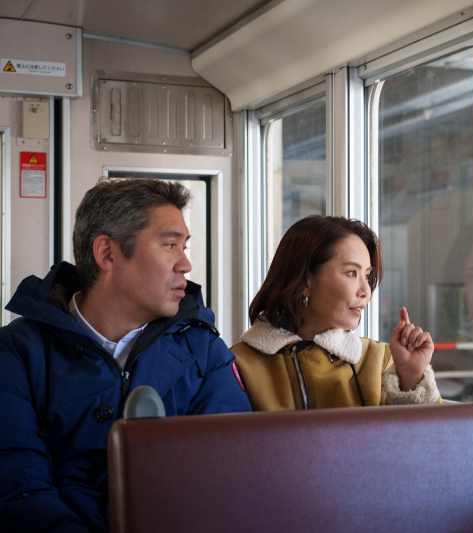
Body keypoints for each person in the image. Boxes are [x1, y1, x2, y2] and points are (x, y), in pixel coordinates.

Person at [0, 179, 252, 533]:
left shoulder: (204, 350)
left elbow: (231, 476)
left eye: (184, 246)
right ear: (107, 254)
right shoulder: (16, 354)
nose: (185, 264)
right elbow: (18, 492)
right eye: (170, 245)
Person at [232, 215, 441, 410]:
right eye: (352, 273)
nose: (366, 291)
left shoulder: (382, 361)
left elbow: (435, 442)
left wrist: (412, 377)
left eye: (367, 276)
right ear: (305, 280)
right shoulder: (238, 366)